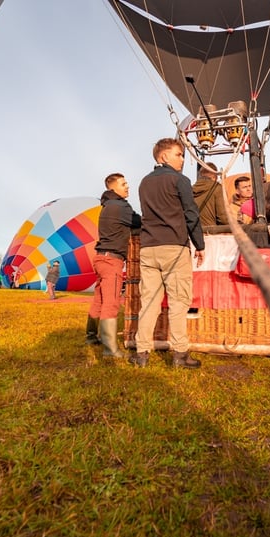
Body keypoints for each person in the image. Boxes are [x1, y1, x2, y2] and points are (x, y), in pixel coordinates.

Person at [131, 137, 205, 368]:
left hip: (149, 248)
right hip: (174, 247)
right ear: (163, 156)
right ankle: (180, 354)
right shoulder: (179, 180)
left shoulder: (143, 183)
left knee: (149, 303)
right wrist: (200, 245)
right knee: (178, 302)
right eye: (179, 154)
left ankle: (142, 353)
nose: (182, 159)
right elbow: (191, 214)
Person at [87, 173, 142, 357]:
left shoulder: (106, 205)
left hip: (100, 258)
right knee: (111, 302)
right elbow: (139, 222)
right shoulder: (121, 206)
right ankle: (110, 349)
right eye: (123, 184)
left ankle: (91, 336)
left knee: (99, 299)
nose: (128, 186)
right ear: (113, 188)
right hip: (112, 261)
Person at [192, 162, 229, 228]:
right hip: (211, 232)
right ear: (215, 176)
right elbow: (223, 219)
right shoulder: (217, 188)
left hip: (192, 232)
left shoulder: (190, 190)